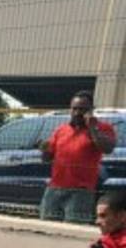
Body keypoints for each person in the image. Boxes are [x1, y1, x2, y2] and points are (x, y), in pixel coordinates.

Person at [41, 91, 117, 224]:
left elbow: (107, 148)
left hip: (80, 192)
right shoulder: (61, 130)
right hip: (55, 189)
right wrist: (43, 149)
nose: (77, 112)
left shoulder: (103, 128)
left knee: (73, 230)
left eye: (82, 109)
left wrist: (92, 128)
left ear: (91, 110)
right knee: (46, 228)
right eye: (74, 108)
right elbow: (47, 158)